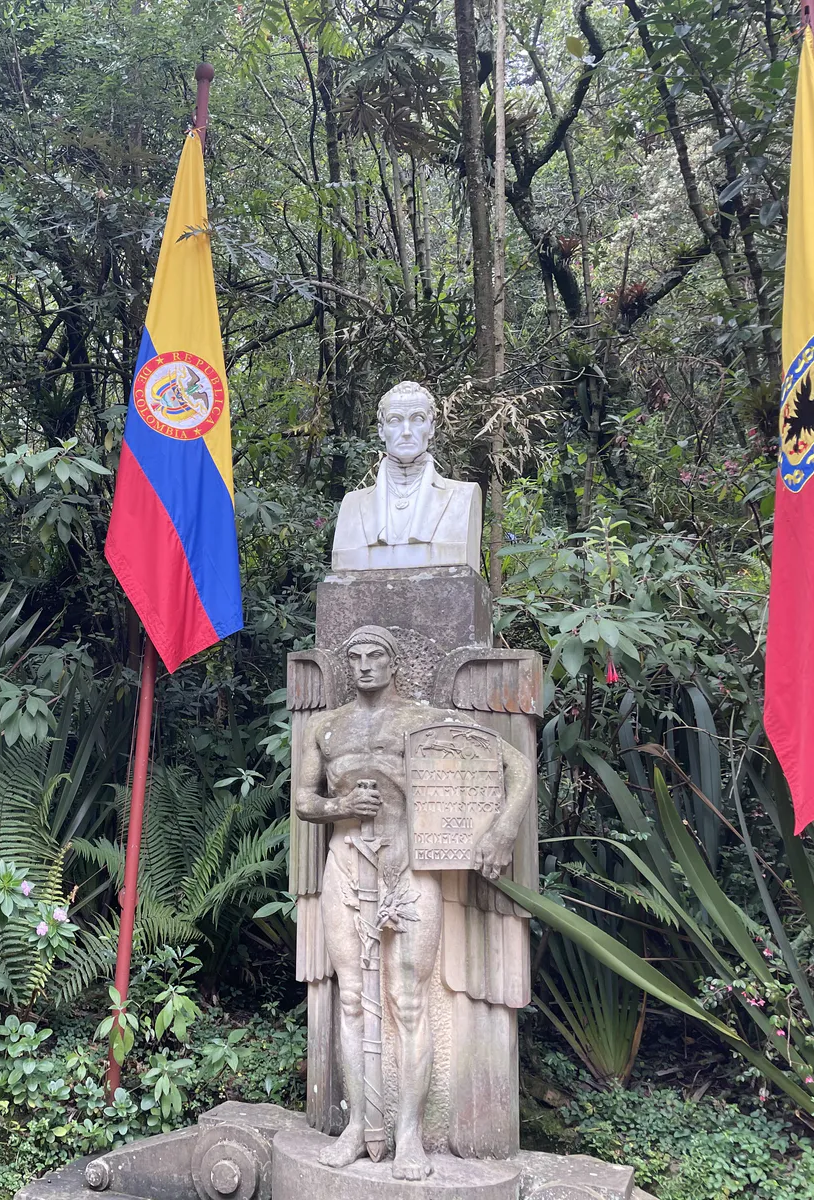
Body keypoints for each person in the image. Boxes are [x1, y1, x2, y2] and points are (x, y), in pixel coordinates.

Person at [293, 625, 531, 1179]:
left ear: (394, 662)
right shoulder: (328, 728)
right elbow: (304, 798)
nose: (365, 665)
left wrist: (501, 830)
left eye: (376, 655)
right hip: (346, 864)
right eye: (355, 657)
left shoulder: (423, 720)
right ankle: (358, 1125)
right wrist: (341, 804)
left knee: (409, 1003)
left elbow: (515, 767)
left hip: (409, 868)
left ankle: (408, 1136)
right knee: (351, 997)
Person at [332, 382, 482, 572]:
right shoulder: (352, 505)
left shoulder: (463, 497)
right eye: (395, 420)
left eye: (417, 419)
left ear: (432, 428)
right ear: (381, 430)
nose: (406, 432)